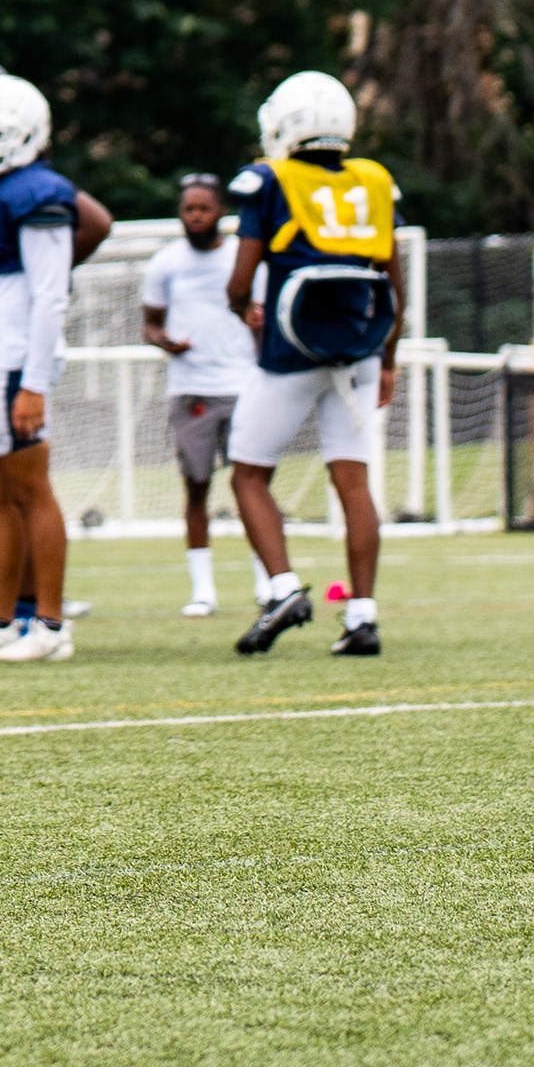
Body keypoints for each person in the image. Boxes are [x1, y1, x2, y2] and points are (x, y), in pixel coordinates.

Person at [222, 70, 402, 659]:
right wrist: (389, 357)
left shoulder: (270, 180)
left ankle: (282, 589)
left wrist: (243, 311)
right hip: (360, 346)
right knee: (353, 479)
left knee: (249, 474)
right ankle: (362, 615)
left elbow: (240, 281)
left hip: (292, 347)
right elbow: (394, 280)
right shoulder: (373, 180)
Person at [0, 73, 112, 664]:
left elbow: (50, 295)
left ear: (21, 134)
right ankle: (0, 619)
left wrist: (33, 382)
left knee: (30, 490)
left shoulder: (39, 191)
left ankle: (52, 625)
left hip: (14, 362)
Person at [138, 170, 257, 618]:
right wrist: (164, 341)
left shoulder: (244, 258)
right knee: (196, 487)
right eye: (188, 209)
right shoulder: (165, 263)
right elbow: (150, 324)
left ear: (220, 210)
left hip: (243, 385)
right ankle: (203, 590)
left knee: (252, 485)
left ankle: (269, 583)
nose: (196, 216)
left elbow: (259, 316)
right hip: (191, 390)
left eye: (204, 208)